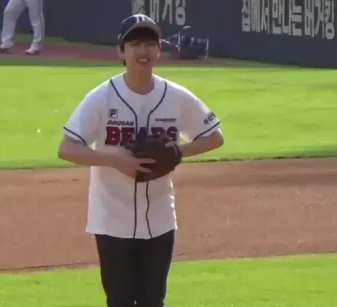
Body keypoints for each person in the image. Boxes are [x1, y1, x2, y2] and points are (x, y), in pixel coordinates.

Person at [58, 14, 224, 307]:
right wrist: (113, 159)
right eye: (134, 44)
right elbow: (67, 148)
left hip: (160, 219)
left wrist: (176, 153)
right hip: (110, 221)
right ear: (121, 52)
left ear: (159, 50)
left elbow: (214, 136)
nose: (143, 51)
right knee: (119, 301)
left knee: (153, 301)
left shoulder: (175, 96)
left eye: (149, 43)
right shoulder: (102, 97)